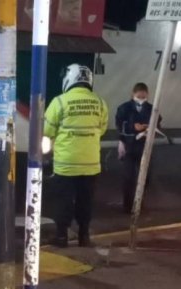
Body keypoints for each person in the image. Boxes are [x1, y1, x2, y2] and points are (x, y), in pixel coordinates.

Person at [44, 64, 109, 247]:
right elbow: (102, 129)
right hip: (91, 164)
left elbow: (46, 130)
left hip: (66, 163)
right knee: (85, 201)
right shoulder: (100, 102)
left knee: (63, 200)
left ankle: (62, 236)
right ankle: (84, 236)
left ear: (69, 80)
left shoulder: (59, 102)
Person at [116, 82, 159, 214]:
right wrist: (133, 127)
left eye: (143, 97)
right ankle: (127, 205)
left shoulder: (152, 109)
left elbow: (158, 123)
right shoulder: (124, 108)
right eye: (139, 97)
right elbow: (119, 125)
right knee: (128, 177)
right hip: (129, 145)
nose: (141, 100)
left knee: (146, 176)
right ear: (133, 94)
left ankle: (139, 201)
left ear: (148, 96)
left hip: (145, 146)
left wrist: (149, 128)